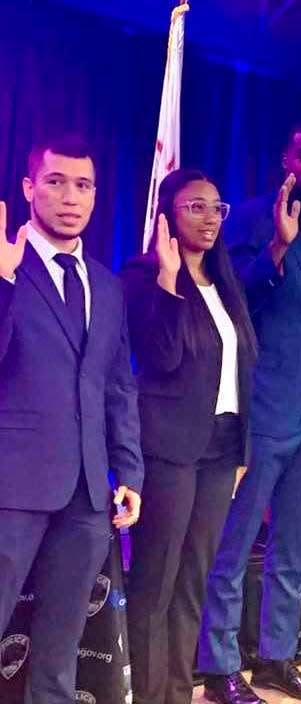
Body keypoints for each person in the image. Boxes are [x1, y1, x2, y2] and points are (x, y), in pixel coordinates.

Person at [198, 121, 301, 704]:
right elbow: (231, 300)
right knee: (235, 544)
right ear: (285, 159)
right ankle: (218, 667)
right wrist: (277, 247)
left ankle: (276, 658)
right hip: (263, 413)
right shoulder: (246, 219)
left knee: (292, 551)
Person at [0, 136, 143, 703]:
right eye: (55, 181)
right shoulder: (7, 268)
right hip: (12, 486)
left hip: (88, 493)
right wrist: (3, 282)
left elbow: (117, 386)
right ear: (30, 188)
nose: (70, 196)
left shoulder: (107, 286)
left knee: (60, 655)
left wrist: (128, 471)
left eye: (83, 185)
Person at [122, 169, 257, 704]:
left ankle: (178, 693)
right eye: (194, 207)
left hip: (222, 448)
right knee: (156, 582)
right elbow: (160, 357)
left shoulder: (226, 282)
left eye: (216, 208)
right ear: (168, 215)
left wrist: (243, 449)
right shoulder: (142, 276)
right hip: (169, 449)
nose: (208, 218)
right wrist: (169, 282)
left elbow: (245, 368)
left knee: (194, 580)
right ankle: (147, 694)